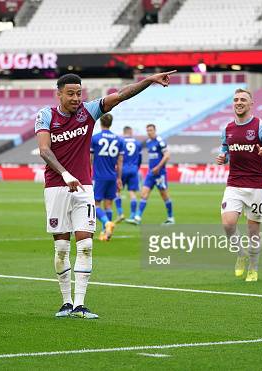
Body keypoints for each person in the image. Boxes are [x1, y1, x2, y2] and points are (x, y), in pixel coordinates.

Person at [35, 71, 175, 319]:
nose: (76, 98)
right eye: (70, 94)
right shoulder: (46, 115)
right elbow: (44, 150)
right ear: (59, 94)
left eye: (79, 93)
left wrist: (149, 80)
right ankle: (65, 302)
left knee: (86, 245)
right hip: (56, 187)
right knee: (61, 248)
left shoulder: (88, 112)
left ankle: (79, 305)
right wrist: (65, 174)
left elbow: (121, 95)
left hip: (84, 188)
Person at [216, 88, 262, 282]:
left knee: (253, 231)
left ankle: (253, 268)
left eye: (243, 99)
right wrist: (222, 157)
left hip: (256, 186)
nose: (239, 102)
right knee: (228, 224)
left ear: (251, 104)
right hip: (234, 184)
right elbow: (224, 150)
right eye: (236, 99)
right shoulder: (227, 129)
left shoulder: (260, 126)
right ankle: (240, 255)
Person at [128, 124, 174, 225]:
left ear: (155, 130)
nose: (149, 132)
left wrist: (158, 167)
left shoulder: (160, 141)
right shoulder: (148, 142)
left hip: (160, 173)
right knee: (144, 194)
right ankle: (137, 217)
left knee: (164, 195)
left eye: (151, 130)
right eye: (147, 130)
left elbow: (167, 155)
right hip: (150, 173)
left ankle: (170, 218)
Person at [90, 113, 124, 241]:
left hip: (99, 176)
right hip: (112, 176)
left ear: (100, 122)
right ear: (111, 123)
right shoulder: (119, 140)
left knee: (95, 204)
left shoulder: (95, 138)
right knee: (108, 205)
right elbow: (120, 162)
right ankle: (106, 233)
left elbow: (90, 158)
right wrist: (119, 178)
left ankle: (106, 223)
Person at [119, 126, 142, 224]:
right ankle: (132, 215)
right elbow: (140, 158)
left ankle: (120, 213)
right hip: (133, 169)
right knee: (132, 192)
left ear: (124, 132)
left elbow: (118, 156)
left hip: (122, 169)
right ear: (131, 131)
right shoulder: (137, 143)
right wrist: (136, 168)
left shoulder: (121, 141)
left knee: (117, 191)